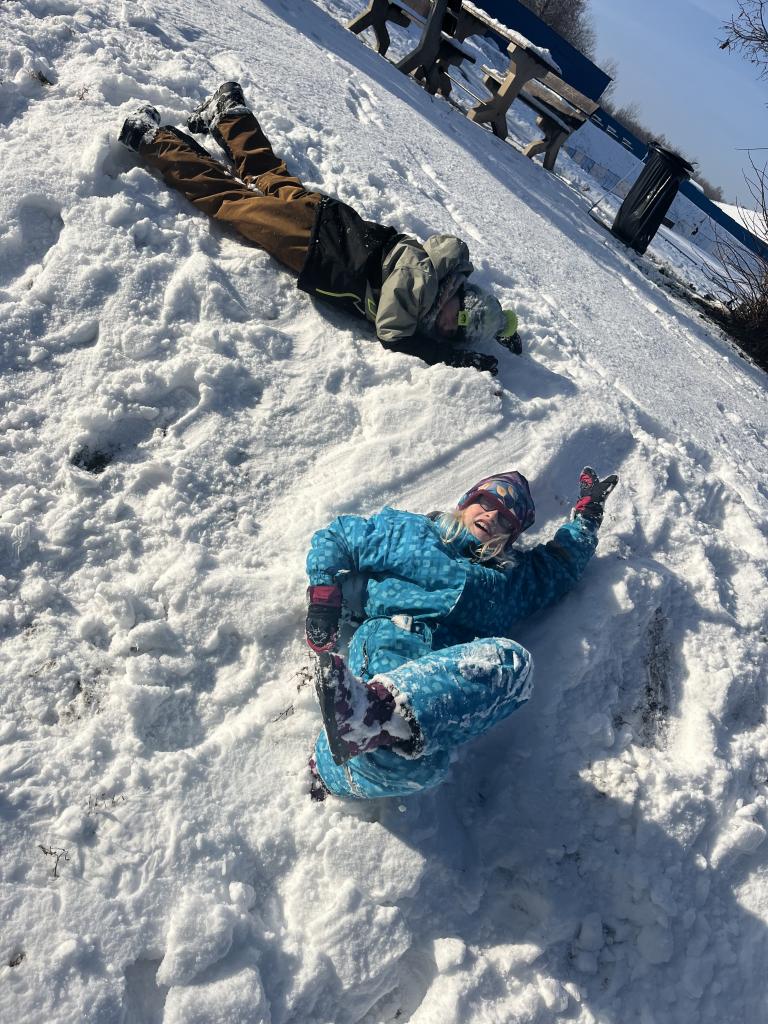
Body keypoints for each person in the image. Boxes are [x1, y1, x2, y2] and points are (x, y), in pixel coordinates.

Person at [118, 82, 522, 375]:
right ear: (458, 295)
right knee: (230, 201)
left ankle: (228, 113)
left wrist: (500, 330)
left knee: (269, 176)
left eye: (455, 334)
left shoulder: (435, 273)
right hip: (311, 245)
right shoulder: (420, 283)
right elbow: (393, 333)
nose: (448, 328)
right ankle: (152, 140)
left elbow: (467, 293)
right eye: (459, 320)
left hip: (326, 220)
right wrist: (454, 358)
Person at [304, 466, 618, 800]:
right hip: (392, 641)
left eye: (505, 519)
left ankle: (363, 730)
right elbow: (338, 537)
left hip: (443, 676)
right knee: (396, 747)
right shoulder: (411, 532)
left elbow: (561, 564)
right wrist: (323, 600)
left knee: (508, 668)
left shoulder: (511, 581)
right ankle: (363, 723)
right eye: (487, 502)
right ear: (466, 502)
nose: (492, 516)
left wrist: (588, 516)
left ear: (510, 537)